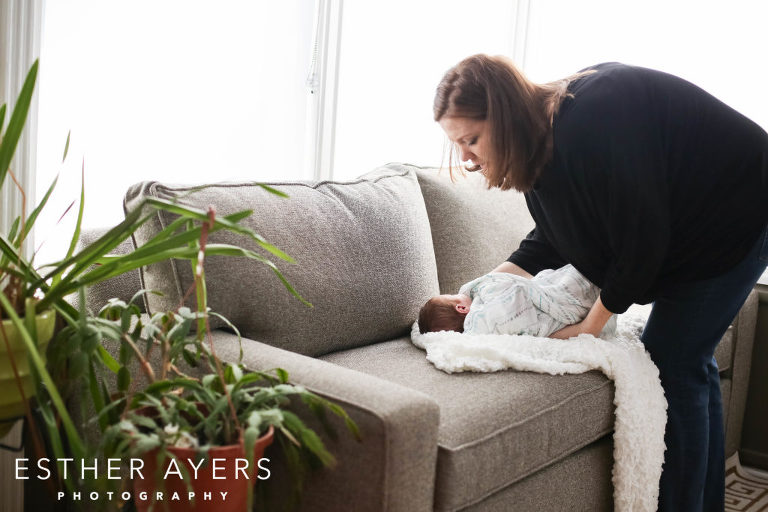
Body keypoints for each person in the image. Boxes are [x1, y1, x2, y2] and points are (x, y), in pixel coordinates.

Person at [433, 54, 768, 511]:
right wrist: (478, 290)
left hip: (738, 209)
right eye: (457, 144)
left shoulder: (596, 115)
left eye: (471, 140)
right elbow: (548, 239)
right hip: (689, 229)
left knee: (673, 359)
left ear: (505, 115)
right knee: (688, 361)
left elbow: (642, 239)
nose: (466, 158)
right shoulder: (539, 153)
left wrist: (589, 328)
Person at [418, 264, 611, 337]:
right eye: (453, 295)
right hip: (561, 298)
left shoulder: (482, 328)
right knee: (576, 279)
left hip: (549, 296)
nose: (459, 293)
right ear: (461, 308)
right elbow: (515, 291)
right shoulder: (480, 321)